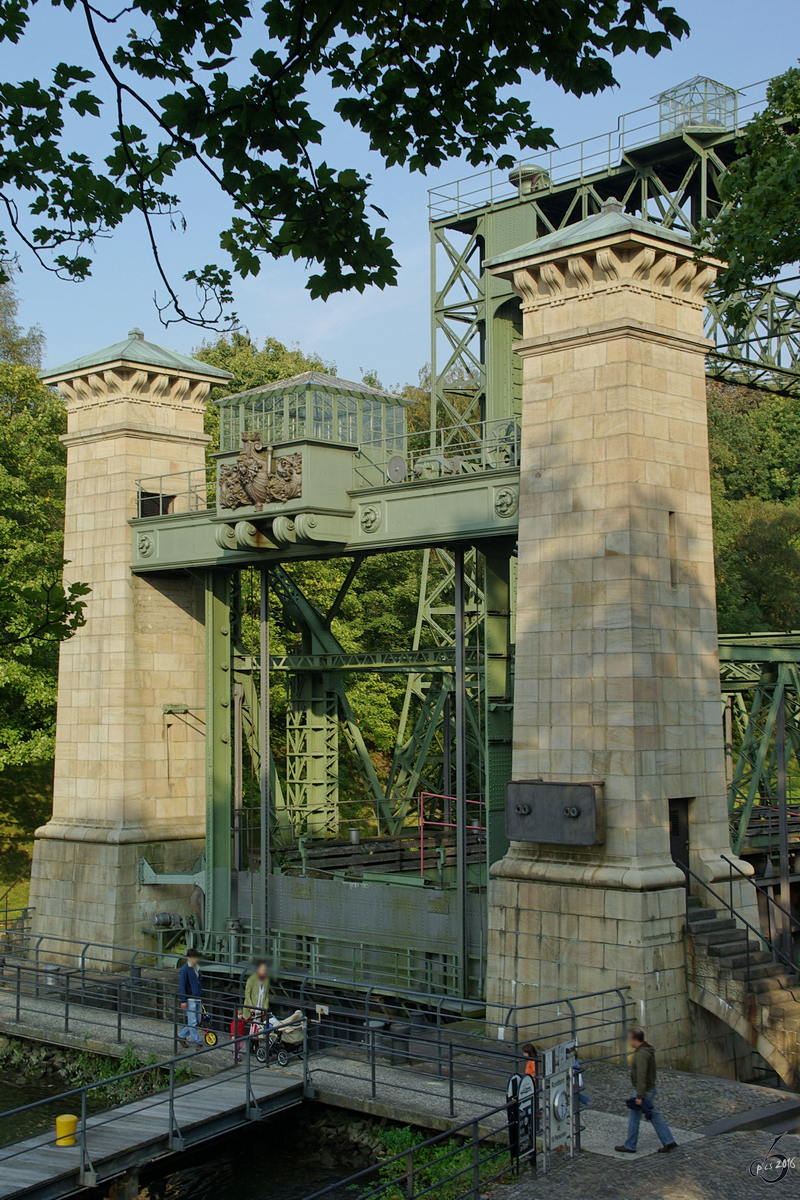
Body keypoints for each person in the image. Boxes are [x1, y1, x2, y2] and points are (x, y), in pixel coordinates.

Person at [615, 1027, 677, 1154]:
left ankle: (630, 1145)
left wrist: (639, 1096)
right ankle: (668, 1141)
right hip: (648, 1089)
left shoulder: (641, 1054)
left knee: (634, 1117)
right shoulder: (646, 1050)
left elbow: (641, 1075)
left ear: (634, 1039)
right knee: (653, 1115)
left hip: (643, 1091)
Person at [177, 947, 203, 1050]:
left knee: (197, 1021)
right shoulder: (185, 970)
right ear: (189, 958)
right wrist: (183, 1000)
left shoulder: (197, 968)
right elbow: (182, 985)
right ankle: (198, 1043)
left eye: (196, 958)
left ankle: (181, 1035)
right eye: (193, 958)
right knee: (192, 1022)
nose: (195, 960)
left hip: (197, 997)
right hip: (190, 998)